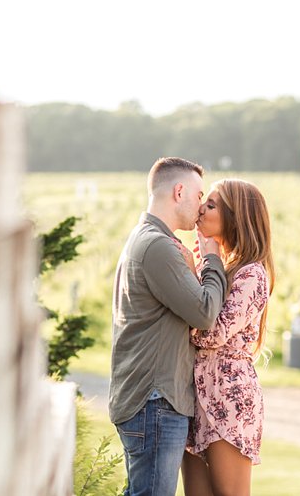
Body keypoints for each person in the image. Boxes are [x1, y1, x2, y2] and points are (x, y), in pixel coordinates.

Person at [109, 157, 228, 496]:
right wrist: (213, 259)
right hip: (155, 399)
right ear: (179, 192)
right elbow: (205, 312)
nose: (202, 206)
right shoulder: (158, 246)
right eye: (199, 195)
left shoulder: (146, 238)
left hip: (149, 399)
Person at [181, 179, 275, 496]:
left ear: (236, 218)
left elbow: (212, 332)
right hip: (196, 395)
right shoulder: (224, 269)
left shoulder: (251, 274)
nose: (201, 209)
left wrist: (210, 261)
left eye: (212, 204)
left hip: (228, 397)